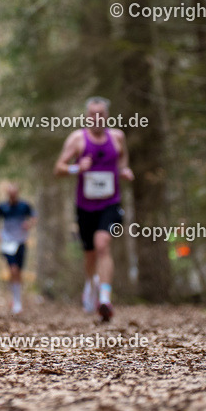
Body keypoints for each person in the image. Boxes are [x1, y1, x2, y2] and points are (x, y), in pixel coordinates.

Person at [54, 97, 134, 322]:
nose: (97, 118)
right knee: (89, 254)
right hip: (85, 206)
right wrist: (77, 168)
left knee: (103, 245)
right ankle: (90, 286)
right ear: (87, 116)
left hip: (110, 203)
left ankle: (105, 298)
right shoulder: (77, 139)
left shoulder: (117, 137)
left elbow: (122, 159)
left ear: (107, 116)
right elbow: (58, 168)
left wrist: (124, 170)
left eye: (101, 114)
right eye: (92, 114)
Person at [0, 184, 36, 314]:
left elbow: (34, 218)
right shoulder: (2, 207)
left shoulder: (24, 206)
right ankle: (16, 301)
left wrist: (29, 224)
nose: (12, 196)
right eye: (10, 194)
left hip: (21, 241)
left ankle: (17, 297)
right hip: (7, 242)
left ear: (17, 193)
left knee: (19, 271)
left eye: (14, 193)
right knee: (13, 269)